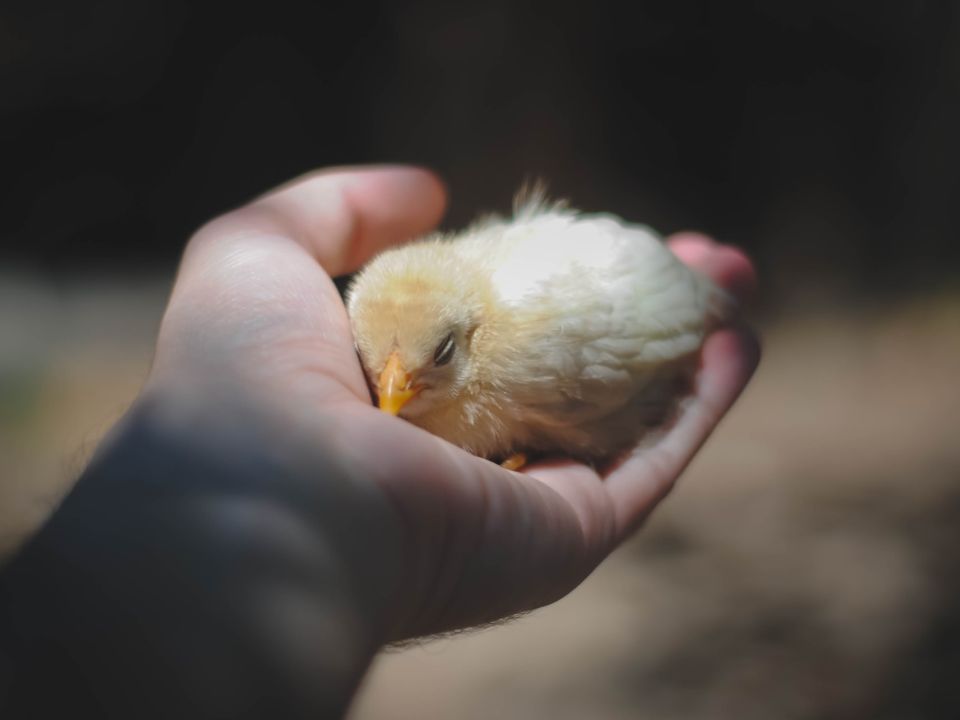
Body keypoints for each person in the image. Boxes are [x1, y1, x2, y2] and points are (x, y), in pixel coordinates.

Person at [0, 166, 759, 719]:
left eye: (432, 367)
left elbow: (665, 317)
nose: (392, 394)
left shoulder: (535, 342)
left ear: (473, 336)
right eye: (377, 366)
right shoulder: (395, 319)